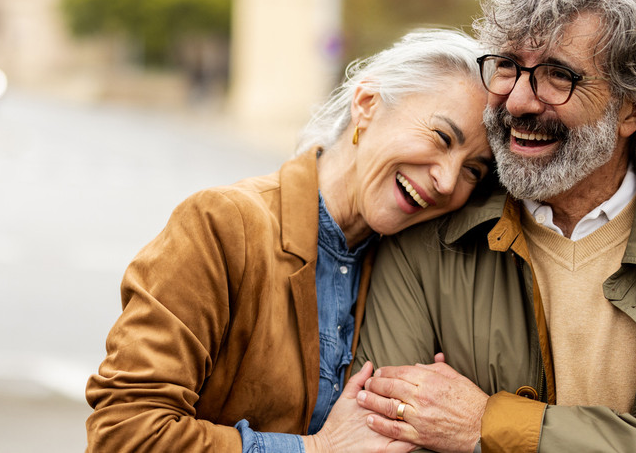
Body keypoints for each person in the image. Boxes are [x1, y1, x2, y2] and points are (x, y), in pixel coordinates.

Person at [352, 0, 636, 452]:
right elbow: (383, 433)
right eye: (508, 66)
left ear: (633, 108)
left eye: (558, 75)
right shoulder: (430, 229)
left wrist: (487, 426)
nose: (518, 101)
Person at [85, 29, 495, 452]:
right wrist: (314, 449)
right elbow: (124, 433)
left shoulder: (411, 269)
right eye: (442, 138)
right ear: (366, 104)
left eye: (473, 170)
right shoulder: (222, 225)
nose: (448, 181)